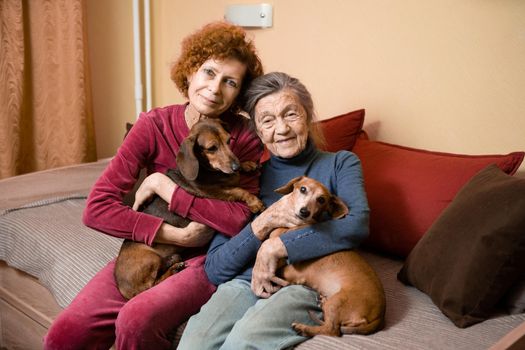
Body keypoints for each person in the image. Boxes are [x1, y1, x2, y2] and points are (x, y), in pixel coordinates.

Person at [44, 21, 264, 350]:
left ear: (239, 93)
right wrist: (175, 234)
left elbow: (239, 219)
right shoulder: (153, 126)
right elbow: (97, 210)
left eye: (230, 82)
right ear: (190, 71)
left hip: (207, 259)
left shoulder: (243, 137)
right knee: (64, 334)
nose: (215, 88)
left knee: (135, 322)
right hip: (154, 247)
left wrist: (165, 187)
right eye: (208, 72)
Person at [177, 72, 370, 349]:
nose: (281, 129)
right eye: (267, 120)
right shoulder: (243, 180)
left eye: (291, 114)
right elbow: (216, 267)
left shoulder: (341, 163)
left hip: (307, 284)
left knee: (243, 342)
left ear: (308, 115)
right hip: (243, 281)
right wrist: (261, 224)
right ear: (257, 131)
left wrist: (276, 247)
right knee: (195, 342)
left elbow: (356, 224)